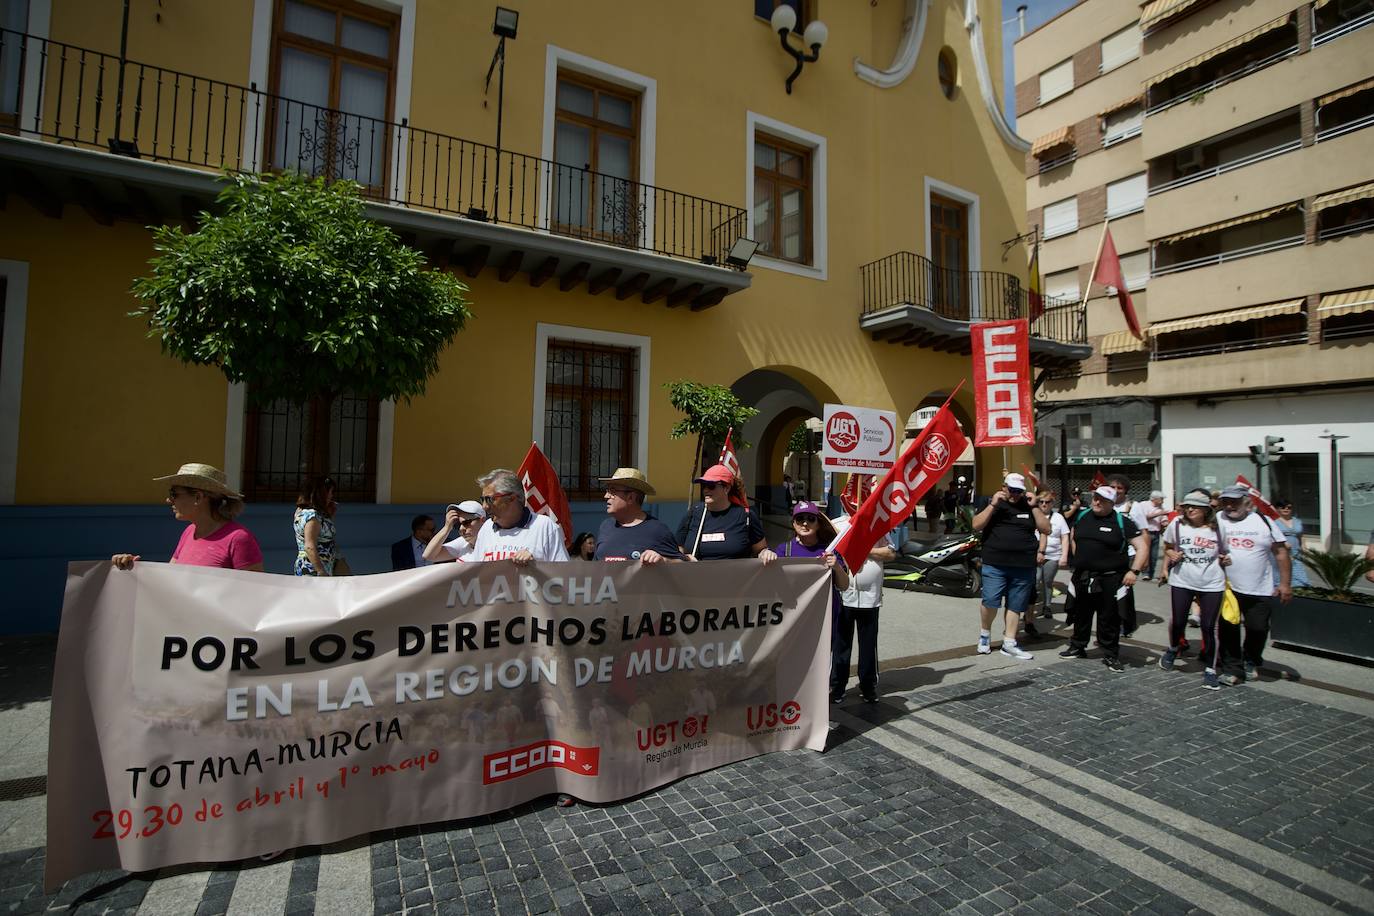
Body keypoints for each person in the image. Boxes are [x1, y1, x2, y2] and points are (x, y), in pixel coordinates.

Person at [1058, 485, 1148, 672]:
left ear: (1112, 502)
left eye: (1102, 500)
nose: (1097, 502)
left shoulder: (1122, 522)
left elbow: (1143, 547)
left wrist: (1134, 571)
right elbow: (1074, 536)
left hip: (1111, 579)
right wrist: (1080, 558)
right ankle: (1078, 646)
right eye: (1095, 498)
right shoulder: (1082, 516)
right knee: (1081, 613)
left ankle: (1110, 653)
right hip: (1083, 576)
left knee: (1109, 618)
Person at [112, 462, 264, 571]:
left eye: (174, 494)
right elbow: (171, 579)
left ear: (198, 497)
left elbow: (253, 595)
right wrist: (134, 566)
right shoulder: (189, 532)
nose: (168, 500)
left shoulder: (239, 539)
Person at [1216, 484, 1292, 684]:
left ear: (1246, 502)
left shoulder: (1263, 522)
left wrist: (1285, 584)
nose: (1230, 505)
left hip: (1259, 587)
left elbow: (1281, 553)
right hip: (1227, 589)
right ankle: (1232, 668)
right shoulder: (1216, 520)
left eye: (1234, 501)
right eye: (1226, 501)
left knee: (1258, 628)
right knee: (1228, 629)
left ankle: (1250, 658)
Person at [972, 473, 1050, 660]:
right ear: (1004, 487)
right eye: (1011, 490)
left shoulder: (1029, 506)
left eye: (1018, 491)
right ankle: (985, 635)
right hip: (995, 563)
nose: (1015, 494)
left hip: (1023, 564)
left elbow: (1046, 528)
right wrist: (992, 505)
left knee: (1016, 604)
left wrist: (1035, 507)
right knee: (990, 600)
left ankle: (1009, 642)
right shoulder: (993, 503)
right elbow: (976, 525)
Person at [1158, 492, 1227, 687]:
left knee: (1208, 626)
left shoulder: (1218, 528)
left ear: (1206, 509)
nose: (1190, 509)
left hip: (1212, 582)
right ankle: (1173, 648)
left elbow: (1225, 552)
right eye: (1187, 506)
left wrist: (1226, 559)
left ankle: (1210, 669)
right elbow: (1168, 546)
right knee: (1178, 620)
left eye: (1195, 506)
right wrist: (1172, 555)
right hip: (1182, 580)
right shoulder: (1178, 524)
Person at [830, 509, 895, 703]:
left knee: (868, 645)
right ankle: (837, 686)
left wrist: (865, 549)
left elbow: (890, 552)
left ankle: (868, 685)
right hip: (844, 594)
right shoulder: (838, 524)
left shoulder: (877, 525)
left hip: (870, 597)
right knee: (841, 644)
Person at [468, 469, 569, 565]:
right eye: (483, 499)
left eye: (490, 499)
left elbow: (563, 574)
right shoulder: (486, 529)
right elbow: (477, 574)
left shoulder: (544, 527)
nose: (484, 506)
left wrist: (535, 565)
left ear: (512, 498)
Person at [675, 464, 772, 561]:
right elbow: (677, 550)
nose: (706, 490)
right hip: (698, 574)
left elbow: (760, 550)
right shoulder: (694, 513)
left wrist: (765, 553)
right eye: (704, 485)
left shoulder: (746, 516)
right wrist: (685, 558)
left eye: (711, 486)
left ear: (727, 488)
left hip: (735, 575)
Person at [593, 468, 684, 563]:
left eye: (612, 491)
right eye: (607, 490)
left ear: (631, 497)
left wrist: (664, 560)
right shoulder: (606, 526)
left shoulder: (658, 530)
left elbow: (683, 567)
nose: (606, 496)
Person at [1030, 490, 1069, 630]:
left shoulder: (1058, 517)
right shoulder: (1033, 515)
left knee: (1047, 581)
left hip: (1053, 555)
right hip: (1035, 555)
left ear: (1052, 503)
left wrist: (1064, 556)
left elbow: (1065, 537)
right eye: (1041, 502)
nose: (1044, 504)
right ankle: (1030, 609)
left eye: (1047, 502)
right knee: (1034, 581)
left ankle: (1047, 606)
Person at [294, 476, 337, 577]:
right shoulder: (312, 516)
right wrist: (320, 571)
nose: (331, 496)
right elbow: (310, 546)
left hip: (321, 566)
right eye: (329, 492)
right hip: (312, 569)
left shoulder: (303, 512)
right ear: (321, 494)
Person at [422, 500, 486, 563]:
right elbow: (428, 556)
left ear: (482, 520)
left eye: (466, 522)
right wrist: (447, 527)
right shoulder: (463, 543)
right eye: (457, 525)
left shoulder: (492, 541)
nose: (461, 528)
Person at [1129, 491, 1168, 579]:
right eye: (1161, 499)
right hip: (1146, 532)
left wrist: (1165, 522)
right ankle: (1145, 573)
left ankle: (1151, 574)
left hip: (1156, 532)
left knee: (1154, 555)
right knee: (1145, 553)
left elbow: (1163, 519)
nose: (1162, 501)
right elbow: (1143, 517)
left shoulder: (1161, 508)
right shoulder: (1143, 505)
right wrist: (1158, 514)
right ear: (1155, 499)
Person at [1271, 500, 1309, 588]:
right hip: (1281, 549)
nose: (1286, 509)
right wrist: (1283, 543)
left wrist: (1304, 546)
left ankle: (1299, 585)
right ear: (1278, 509)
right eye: (1283, 507)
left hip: (1296, 549)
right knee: (1283, 568)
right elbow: (1271, 535)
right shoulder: (1274, 522)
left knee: (1297, 567)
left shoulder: (1297, 521)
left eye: (1289, 507)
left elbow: (1301, 535)